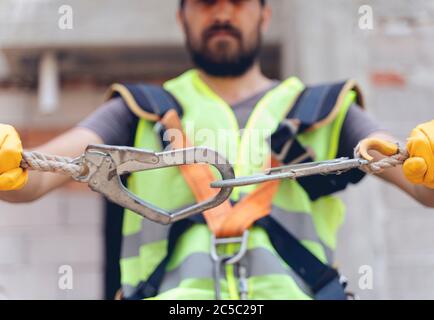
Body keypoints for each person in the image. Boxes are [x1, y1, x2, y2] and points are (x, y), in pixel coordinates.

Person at [0, 0, 433, 300]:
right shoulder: (138, 110)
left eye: (239, 1)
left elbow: (419, 185)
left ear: (264, 13)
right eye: (206, 2)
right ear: (181, 16)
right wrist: (9, 162)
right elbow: (37, 174)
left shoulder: (326, 110)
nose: (223, 12)